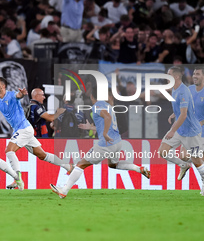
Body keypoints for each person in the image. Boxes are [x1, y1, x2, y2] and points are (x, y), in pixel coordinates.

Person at [50, 87, 151, 198]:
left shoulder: (97, 106)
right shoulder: (109, 106)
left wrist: (104, 134)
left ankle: (64, 191)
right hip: (117, 142)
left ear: (92, 96)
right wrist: (92, 128)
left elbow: (107, 118)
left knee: (80, 165)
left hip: (106, 144)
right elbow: (107, 121)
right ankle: (138, 168)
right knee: (114, 164)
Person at [0, 77, 73, 189]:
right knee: (42, 155)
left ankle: (17, 179)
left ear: (3, 86)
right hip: (23, 130)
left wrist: (22, 94)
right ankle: (68, 166)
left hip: (23, 129)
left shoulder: (11, 95)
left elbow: (18, 96)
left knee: (9, 151)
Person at [158, 67, 204, 195]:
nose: (167, 77)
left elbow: (184, 114)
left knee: (198, 161)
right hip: (181, 129)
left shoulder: (183, 91)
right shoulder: (178, 89)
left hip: (192, 131)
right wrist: (174, 113)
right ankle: (183, 165)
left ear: (176, 77)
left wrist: (172, 130)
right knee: (163, 151)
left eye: (169, 75)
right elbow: (184, 108)